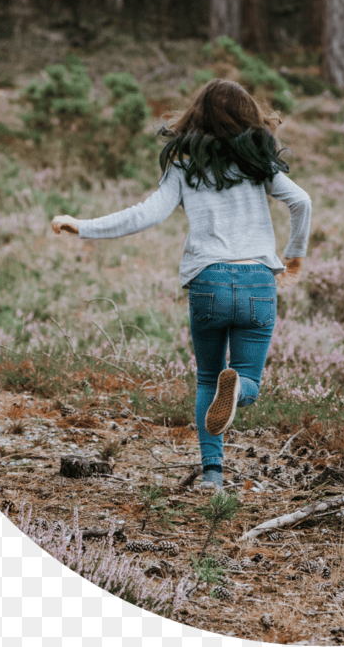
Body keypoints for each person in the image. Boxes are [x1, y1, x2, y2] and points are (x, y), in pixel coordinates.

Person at [50, 79, 311, 492]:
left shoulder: (185, 166)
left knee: (207, 378)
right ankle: (239, 386)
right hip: (259, 280)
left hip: (208, 282)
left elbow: (145, 214)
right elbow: (302, 202)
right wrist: (294, 255)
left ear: (198, 117)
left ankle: (212, 475)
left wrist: (82, 226)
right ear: (248, 117)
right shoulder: (260, 164)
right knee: (248, 382)